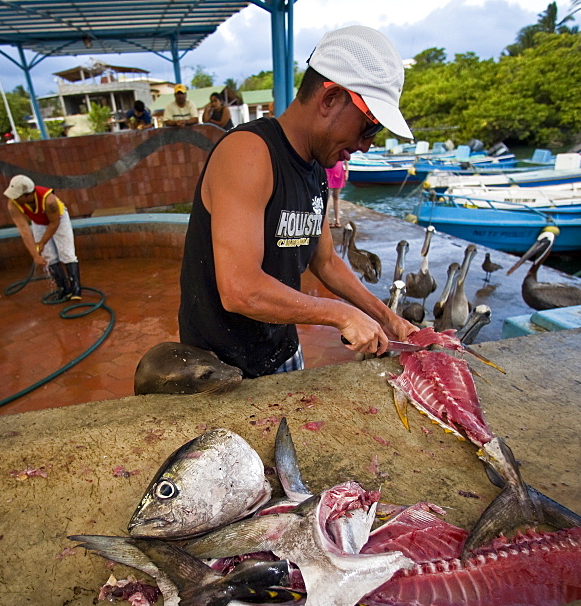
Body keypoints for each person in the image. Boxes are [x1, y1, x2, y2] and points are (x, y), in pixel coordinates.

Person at [178, 25, 417, 378]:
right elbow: (240, 289)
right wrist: (341, 314)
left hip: (280, 349)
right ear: (330, 99)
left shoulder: (317, 167)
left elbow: (326, 262)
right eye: (369, 127)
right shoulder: (249, 154)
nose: (367, 144)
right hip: (218, 365)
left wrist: (386, 316)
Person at [3, 174, 82, 301]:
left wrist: (42, 242)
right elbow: (24, 230)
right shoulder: (13, 204)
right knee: (49, 256)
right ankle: (63, 288)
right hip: (39, 222)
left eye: (17, 196)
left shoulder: (49, 201)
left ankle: (76, 288)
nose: (14, 199)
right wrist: (35, 254)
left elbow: (54, 223)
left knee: (66, 253)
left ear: (28, 195)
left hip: (59, 219)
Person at [324, 159, 348, 228]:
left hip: (339, 172)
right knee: (327, 197)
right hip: (328, 171)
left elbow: (346, 159)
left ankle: (337, 220)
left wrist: (346, 171)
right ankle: (326, 220)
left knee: (336, 197)